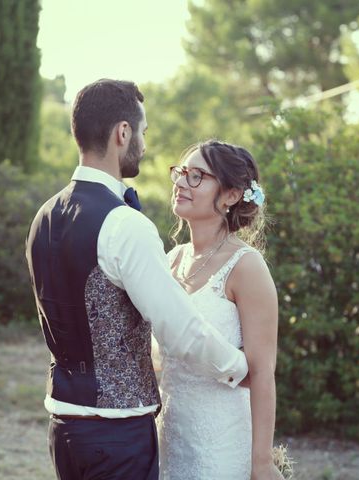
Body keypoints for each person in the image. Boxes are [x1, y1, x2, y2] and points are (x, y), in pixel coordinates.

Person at [25, 80, 250, 480]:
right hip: (117, 434)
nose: (143, 144)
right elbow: (178, 328)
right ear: (122, 133)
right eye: (142, 132)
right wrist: (236, 365)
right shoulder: (125, 224)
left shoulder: (43, 216)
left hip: (63, 427)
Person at [156, 140, 284, 480]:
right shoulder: (170, 261)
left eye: (197, 176)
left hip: (221, 444)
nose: (181, 182)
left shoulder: (246, 267)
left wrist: (261, 462)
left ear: (230, 195)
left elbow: (262, 373)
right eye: (182, 173)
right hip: (168, 437)